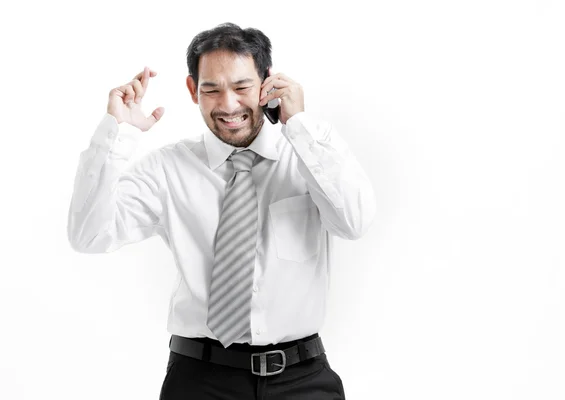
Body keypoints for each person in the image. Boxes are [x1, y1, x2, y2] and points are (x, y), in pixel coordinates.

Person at [67, 22, 376, 400]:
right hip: (200, 379)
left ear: (268, 84)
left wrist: (299, 124)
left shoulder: (308, 157)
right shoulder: (167, 169)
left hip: (302, 381)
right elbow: (88, 235)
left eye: (242, 87)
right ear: (193, 90)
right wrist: (117, 134)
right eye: (212, 89)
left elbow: (354, 222)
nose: (228, 105)